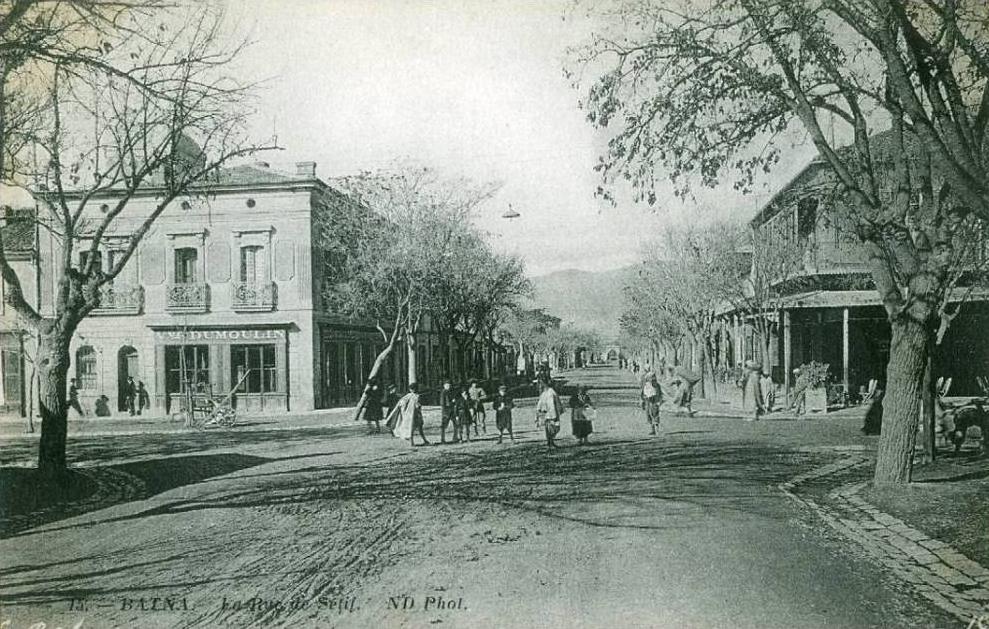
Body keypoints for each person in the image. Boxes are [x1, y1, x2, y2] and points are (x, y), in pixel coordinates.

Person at [535, 380, 565, 450]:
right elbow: (540, 402)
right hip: (546, 413)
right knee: (548, 428)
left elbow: (552, 404)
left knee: (554, 428)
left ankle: (551, 442)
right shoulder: (544, 393)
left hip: (551, 413)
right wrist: (538, 411)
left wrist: (553, 414)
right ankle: (550, 442)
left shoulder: (551, 392)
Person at [439, 379, 459, 444]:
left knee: (456, 424)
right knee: (443, 426)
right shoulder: (443, 392)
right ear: (444, 386)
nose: (448, 386)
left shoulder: (451, 391)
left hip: (452, 411)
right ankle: (442, 440)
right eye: (447, 385)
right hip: (446, 412)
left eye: (449, 385)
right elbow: (443, 403)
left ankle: (455, 438)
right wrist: (452, 402)